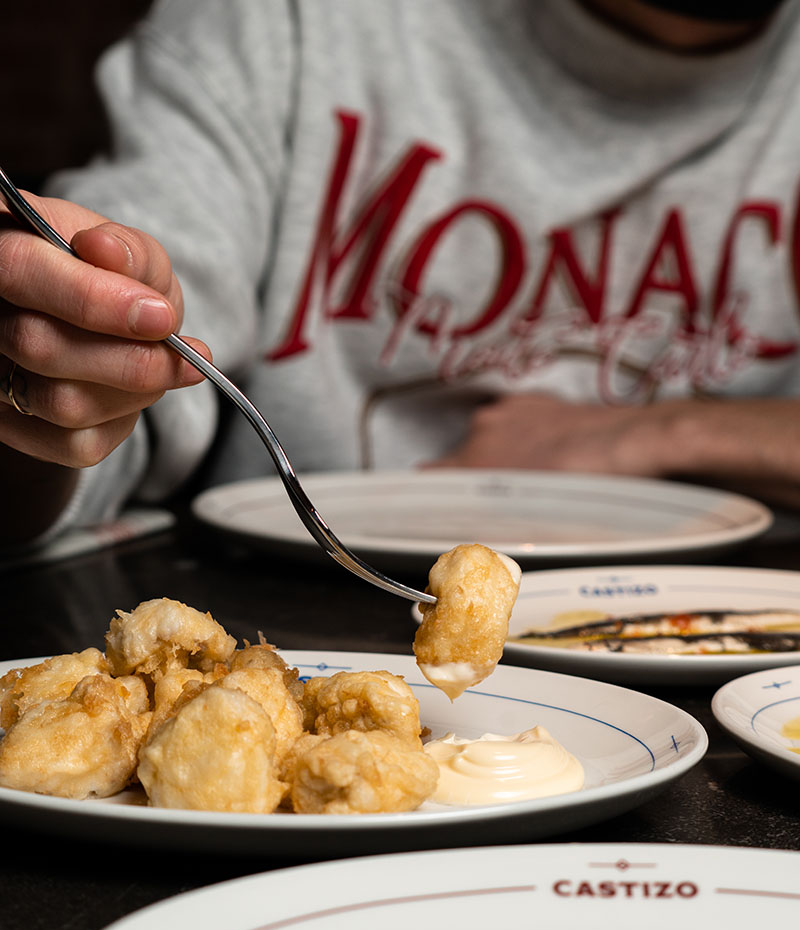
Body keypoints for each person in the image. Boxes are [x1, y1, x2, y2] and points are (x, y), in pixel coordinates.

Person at [1, 0, 800, 547]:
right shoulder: (286, 26)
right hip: (297, 622)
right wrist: (45, 381)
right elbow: (97, 414)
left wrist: (666, 434)